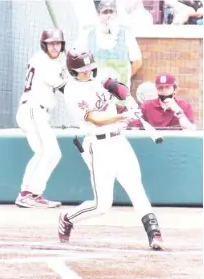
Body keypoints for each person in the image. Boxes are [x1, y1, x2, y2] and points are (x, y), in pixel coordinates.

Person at [59, 48, 163, 251]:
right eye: (82, 69)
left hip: (119, 142)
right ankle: (67, 218)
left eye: (89, 68)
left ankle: (154, 233)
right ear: (73, 71)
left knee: (136, 188)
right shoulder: (72, 91)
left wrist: (129, 101)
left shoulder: (100, 76)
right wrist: (123, 116)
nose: (87, 72)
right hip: (98, 146)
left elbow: (116, 87)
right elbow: (96, 119)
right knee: (102, 205)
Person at [15, 28, 67, 208]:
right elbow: (65, 87)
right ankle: (27, 194)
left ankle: (32, 193)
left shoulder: (43, 60)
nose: (55, 47)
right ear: (44, 45)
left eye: (58, 43)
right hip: (33, 110)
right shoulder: (47, 62)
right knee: (46, 152)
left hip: (37, 112)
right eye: (51, 43)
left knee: (51, 154)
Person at [74, 0, 142, 90]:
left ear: (116, 13)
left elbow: (137, 62)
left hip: (119, 94)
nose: (108, 15)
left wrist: (123, 79)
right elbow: (75, 61)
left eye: (111, 11)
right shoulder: (88, 35)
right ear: (98, 15)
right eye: (105, 12)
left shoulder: (126, 34)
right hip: (96, 94)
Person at [131, 73, 196, 130]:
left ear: (174, 89)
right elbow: (135, 129)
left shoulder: (184, 105)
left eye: (167, 87)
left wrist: (177, 110)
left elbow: (190, 130)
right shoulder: (146, 106)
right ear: (156, 90)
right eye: (160, 88)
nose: (164, 91)